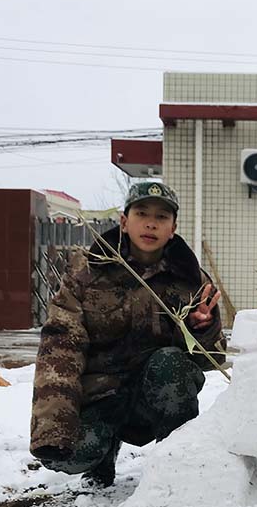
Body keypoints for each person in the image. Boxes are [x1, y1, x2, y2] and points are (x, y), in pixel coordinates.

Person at [29, 180, 225, 488]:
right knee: (68, 454)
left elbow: (213, 358)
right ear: (124, 221)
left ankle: (175, 465)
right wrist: (53, 429)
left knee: (172, 363)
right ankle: (102, 453)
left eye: (161, 217)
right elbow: (60, 348)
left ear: (173, 228)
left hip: (150, 399)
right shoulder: (87, 272)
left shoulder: (190, 279)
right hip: (99, 397)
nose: (150, 223)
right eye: (141, 213)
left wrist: (202, 328)